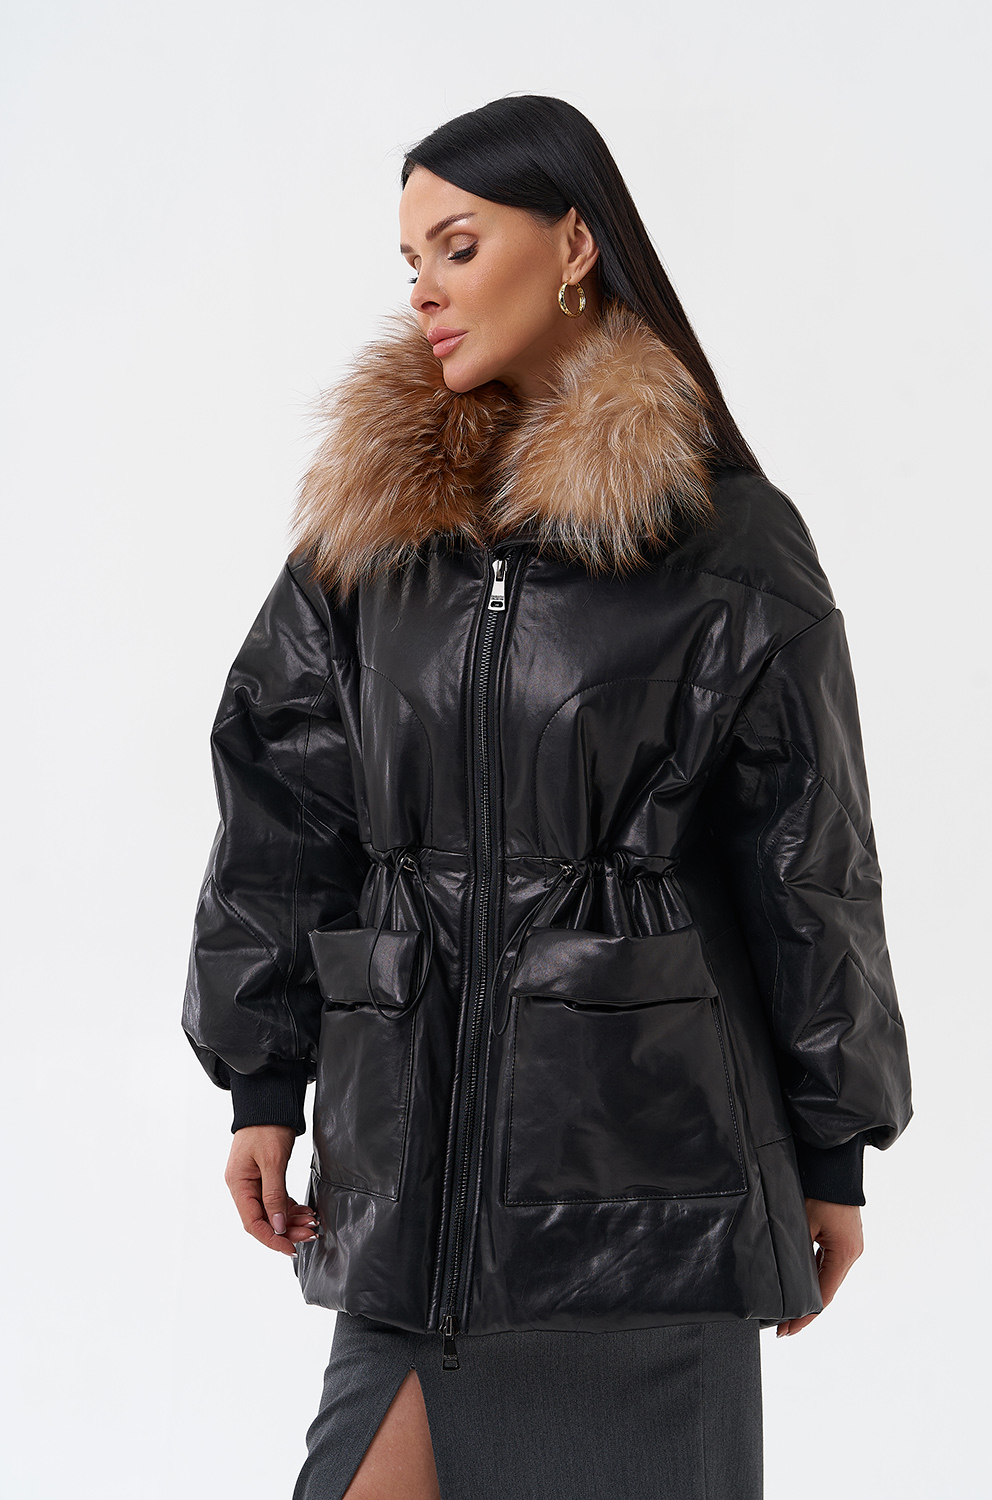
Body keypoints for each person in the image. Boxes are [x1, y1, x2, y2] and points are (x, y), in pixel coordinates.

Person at [181, 95, 913, 1500]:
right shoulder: (373, 538)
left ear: (576, 243)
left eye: (458, 247)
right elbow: (283, 810)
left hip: (646, 1199)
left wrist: (835, 1147)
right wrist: (262, 1079)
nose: (426, 290)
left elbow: (810, 860)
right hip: (413, 1199)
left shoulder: (726, 541)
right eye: (412, 262)